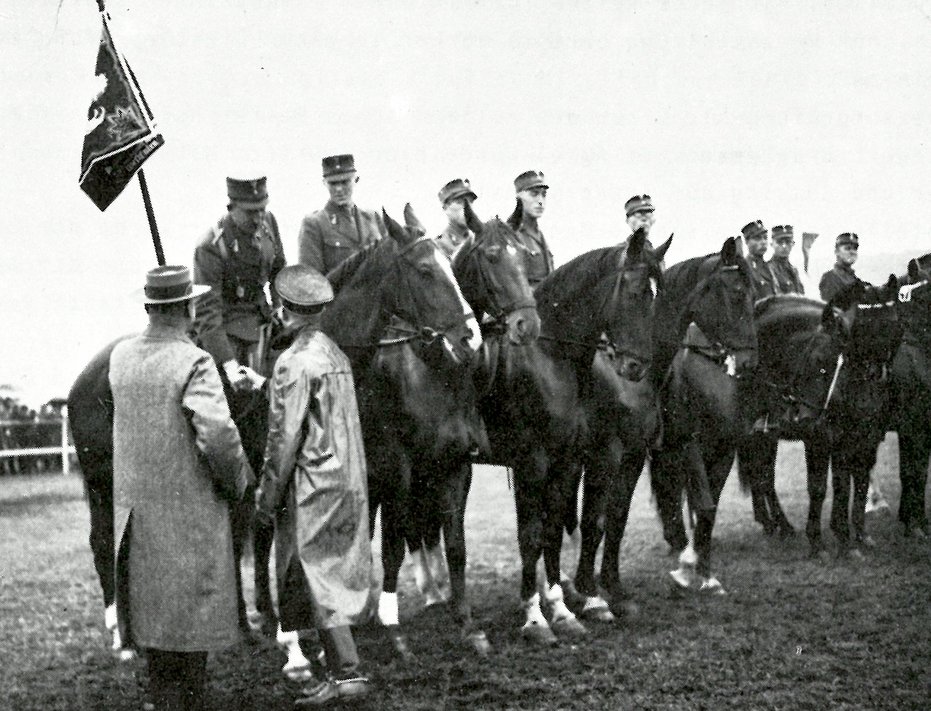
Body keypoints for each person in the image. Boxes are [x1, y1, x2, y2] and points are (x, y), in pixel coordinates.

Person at [111, 265, 254, 711]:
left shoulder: (120, 356)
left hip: (136, 527)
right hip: (189, 521)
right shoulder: (195, 361)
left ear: (150, 307)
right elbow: (219, 439)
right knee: (191, 649)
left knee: (157, 646)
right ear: (188, 307)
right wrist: (239, 484)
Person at [256, 264, 372, 707]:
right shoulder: (334, 355)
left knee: (316, 575)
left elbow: (283, 439)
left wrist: (266, 500)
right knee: (330, 574)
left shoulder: (292, 362)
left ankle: (348, 673)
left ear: (286, 312)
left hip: (311, 486)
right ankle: (338, 671)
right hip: (347, 479)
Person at [193, 176, 286, 390]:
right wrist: (229, 364)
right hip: (230, 326)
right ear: (231, 208)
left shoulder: (268, 223)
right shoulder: (211, 246)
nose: (258, 218)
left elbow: (279, 267)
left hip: (264, 316)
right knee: (236, 393)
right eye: (250, 212)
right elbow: (207, 313)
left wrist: (279, 303)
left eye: (261, 209)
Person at [297, 154, 387, 275]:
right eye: (333, 183)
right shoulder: (315, 223)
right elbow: (312, 278)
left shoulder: (373, 218)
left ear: (356, 180)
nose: (339, 189)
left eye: (345, 182)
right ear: (324, 183)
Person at [509, 170, 554, 286]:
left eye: (544, 195)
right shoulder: (510, 235)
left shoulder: (540, 235)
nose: (540, 201)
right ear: (518, 198)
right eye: (534, 194)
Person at [435, 178, 478, 259]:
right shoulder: (438, 247)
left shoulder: (479, 242)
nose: (468, 208)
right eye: (460, 202)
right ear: (446, 208)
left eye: (470, 202)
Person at [819, 232, 860, 303]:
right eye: (847, 248)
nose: (852, 252)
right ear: (837, 252)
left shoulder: (856, 280)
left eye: (855, 249)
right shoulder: (829, 278)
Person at [742, 220, 777, 300]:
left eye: (765, 238)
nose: (763, 242)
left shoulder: (770, 267)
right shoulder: (745, 268)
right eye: (757, 238)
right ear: (747, 241)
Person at [769, 225, 805, 294]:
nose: (784, 246)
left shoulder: (794, 270)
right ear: (772, 244)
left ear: (793, 244)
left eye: (788, 242)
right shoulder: (768, 268)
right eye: (779, 242)